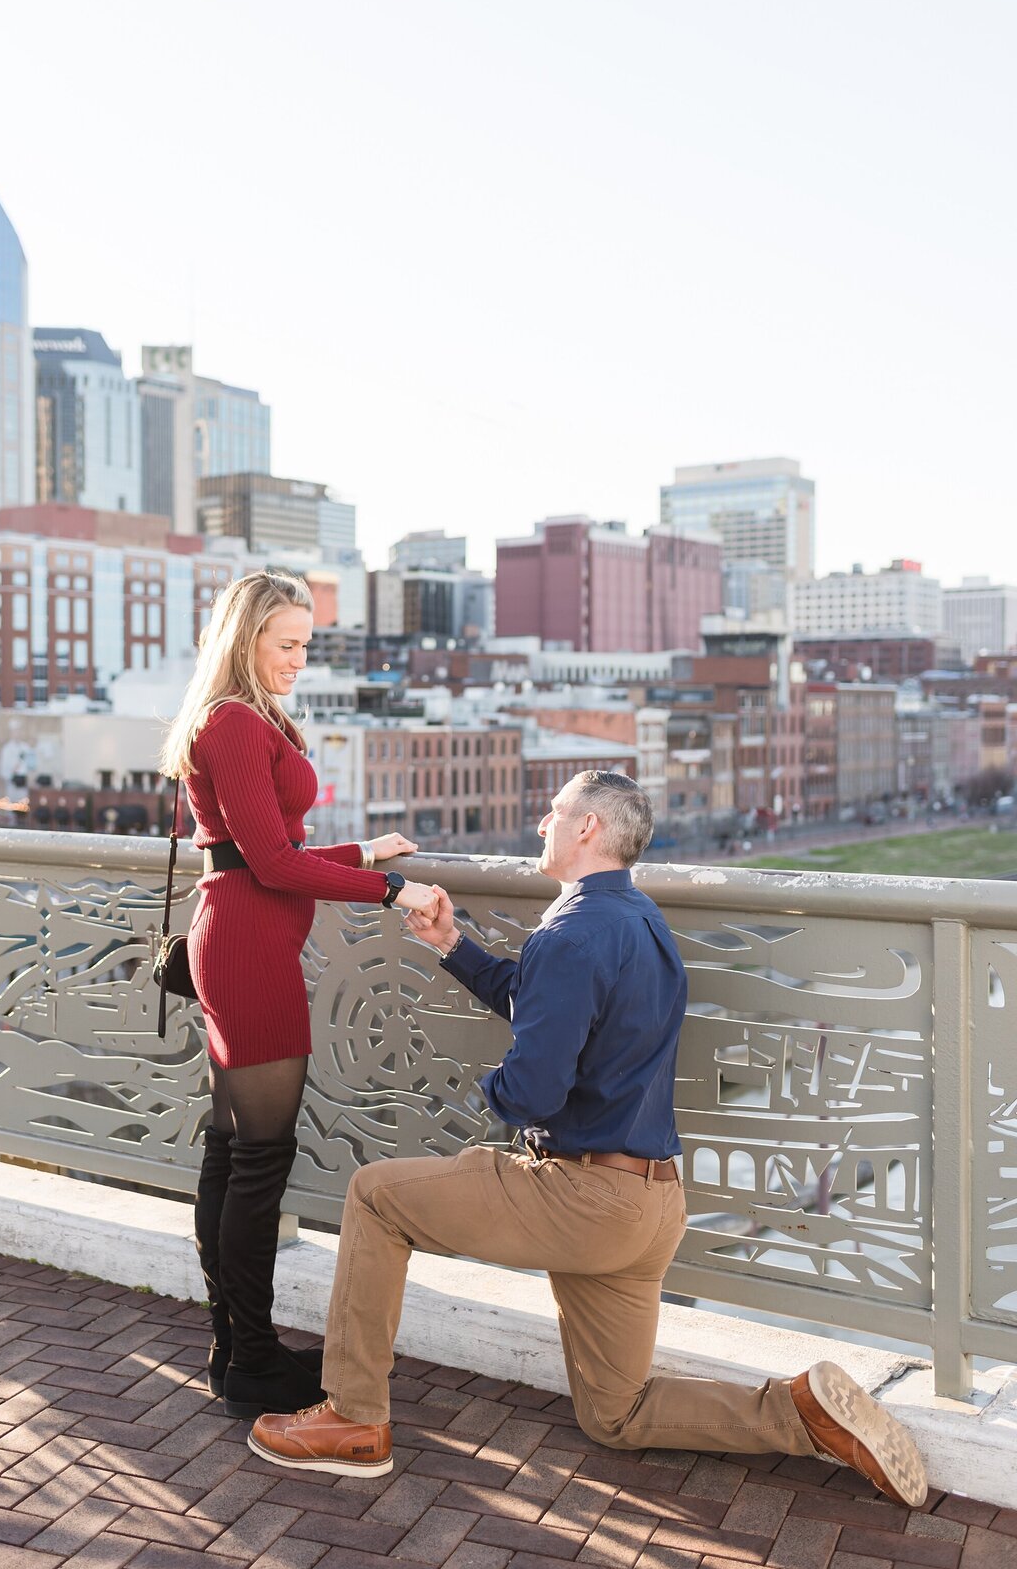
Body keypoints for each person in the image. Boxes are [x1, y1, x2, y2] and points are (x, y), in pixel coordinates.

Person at [248, 770, 928, 1508]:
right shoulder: (638, 921)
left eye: (556, 812)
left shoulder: (569, 934)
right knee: (617, 1413)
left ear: (587, 830)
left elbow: (533, 1089)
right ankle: (802, 1414)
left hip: (583, 1201)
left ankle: (352, 1419)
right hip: (651, 1204)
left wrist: (489, 1091)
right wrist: (453, 947)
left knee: (376, 1197)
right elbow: (554, 1004)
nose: (542, 821)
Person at [159, 571, 438, 1419]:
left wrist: (361, 853)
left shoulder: (242, 719)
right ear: (245, 641)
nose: (298, 659)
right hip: (248, 948)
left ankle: (234, 1348)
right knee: (258, 1163)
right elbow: (272, 864)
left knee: (233, 1151)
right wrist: (393, 892)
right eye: (285, 644)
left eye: (306, 645)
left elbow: (262, 849)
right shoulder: (235, 722)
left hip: (247, 935)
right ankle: (250, 1356)